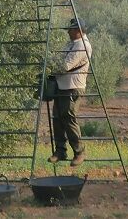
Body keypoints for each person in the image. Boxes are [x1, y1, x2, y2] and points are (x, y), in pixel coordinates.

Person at [48, 17, 92, 166]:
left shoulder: (82, 46)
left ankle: (79, 152)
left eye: (71, 29)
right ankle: (60, 151)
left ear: (79, 31)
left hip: (73, 87)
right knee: (57, 119)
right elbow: (59, 59)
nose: (68, 31)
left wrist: (49, 67)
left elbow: (65, 65)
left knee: (69, 119)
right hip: (62, 86)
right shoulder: (72, 44)